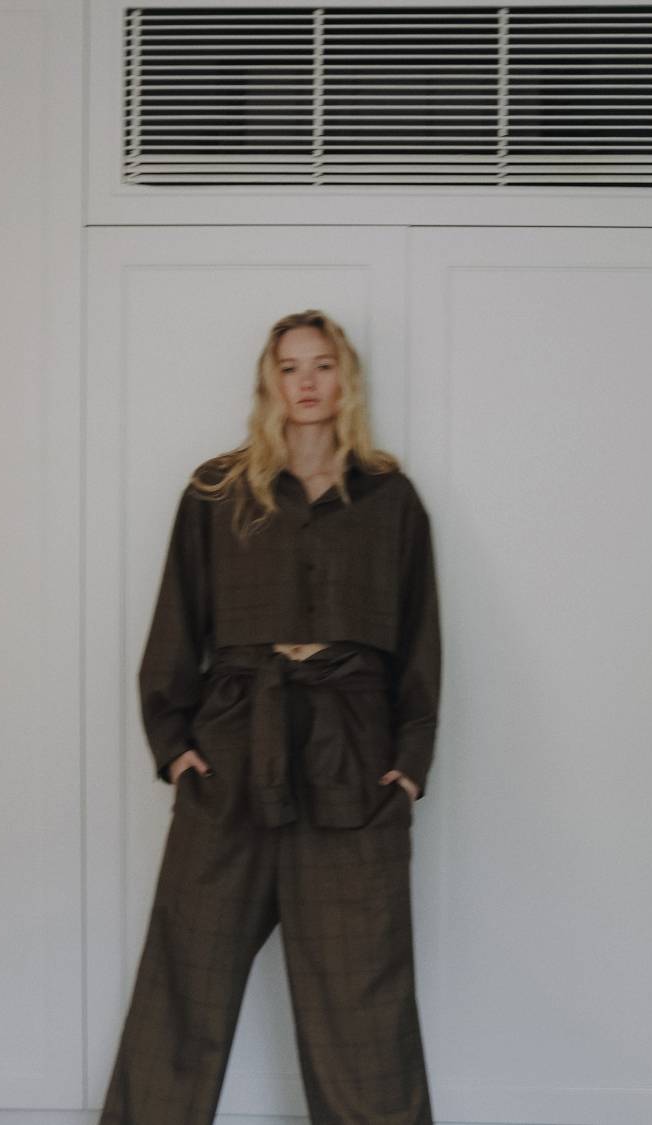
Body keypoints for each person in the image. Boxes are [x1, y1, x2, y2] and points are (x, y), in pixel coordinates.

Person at [98, 309, 443, 1124]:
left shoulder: (390, 498)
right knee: (186, 976)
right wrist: (174, 743)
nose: (307, 382)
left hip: (353, 758)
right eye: (290, 367)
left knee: (363, 997)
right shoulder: (218, 492)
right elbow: (176, 621)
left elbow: (419, 638)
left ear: (345, 379)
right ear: (269, 383)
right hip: (232, 750)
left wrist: (409, 763)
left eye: (322, 365)